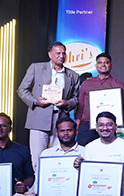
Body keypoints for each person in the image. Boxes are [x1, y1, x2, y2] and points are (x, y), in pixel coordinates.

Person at [17, 41, 80, 171]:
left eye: (63, 53)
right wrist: (35, 101)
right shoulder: (36, 68)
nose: (61, 56)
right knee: (37, 159)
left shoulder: (73, 75)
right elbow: (22, 90)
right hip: (38, 118)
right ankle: (38, 183)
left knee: (58, 157)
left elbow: (76, 99)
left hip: (60, 120)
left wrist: (67, 103)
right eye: (58, 53)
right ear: (50, 54)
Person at [74, 52, 124, 146]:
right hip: (87, 124)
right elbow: (80, 104)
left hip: (109, 126)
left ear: (111, 65)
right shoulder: (86, 84)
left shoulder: (118, 85)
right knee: (84, 150)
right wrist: (78, 122)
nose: (103, 65)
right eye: (100, 62)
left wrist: (122, 125)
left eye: (106, 62)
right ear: (96, 65)